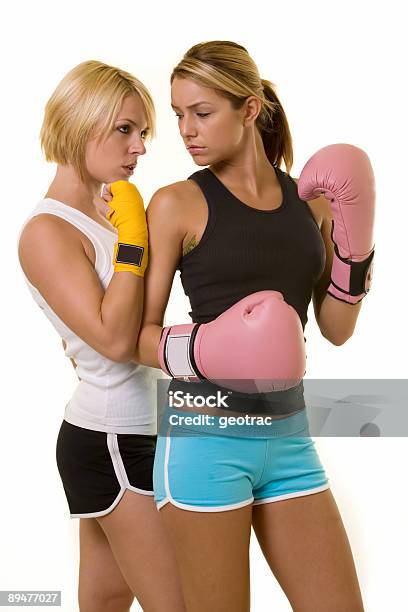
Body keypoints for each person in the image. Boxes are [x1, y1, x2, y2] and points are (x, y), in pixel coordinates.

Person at [130, 41, 370, 611]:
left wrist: (356, 252)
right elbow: (135, 336)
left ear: (250, 109)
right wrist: (213, 349)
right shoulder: (176, 204)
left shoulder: (310, 204)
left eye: (202, 113)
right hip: (204, 440)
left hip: (289, 440)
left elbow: (336, 328)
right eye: (178, 114)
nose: (187, 130)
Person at [18, 60, 185, 612]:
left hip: (144, 427)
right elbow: (114, 341)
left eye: (144, 134)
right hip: (114, 436)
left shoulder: (111, 213)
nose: (139, 147)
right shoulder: (48, 231)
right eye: (125, 129)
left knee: (107, 601)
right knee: (178, 602)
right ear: (80, 122)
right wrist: (135, 240)